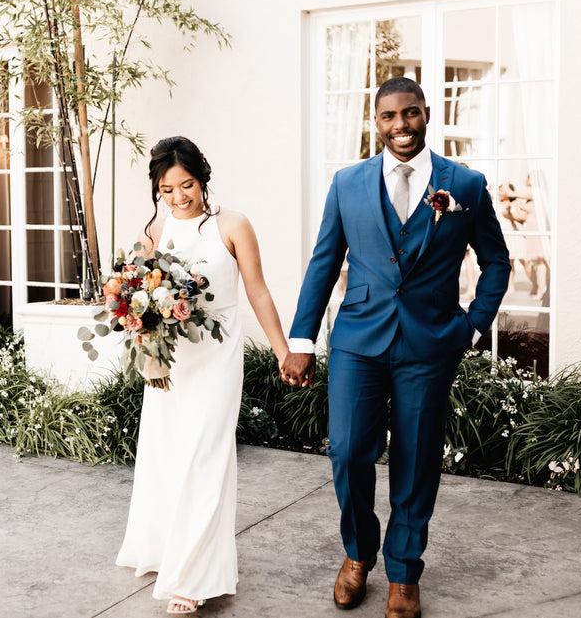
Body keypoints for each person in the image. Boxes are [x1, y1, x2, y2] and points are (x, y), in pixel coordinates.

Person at [281, 78, 510, 618]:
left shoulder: (467, 185)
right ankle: (359, 554)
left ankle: (404, 574)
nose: (400, 126)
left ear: (427, 114)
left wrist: (473, 326)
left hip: (430, 344)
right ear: (375, 121)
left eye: (410, 114)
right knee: (347, 451)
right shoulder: (347, 183)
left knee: (415, 459)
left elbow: (497, 261)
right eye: (388, 117)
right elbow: (323, 263)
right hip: (359, 338)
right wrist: (301, 340)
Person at [116, 136, 290, 615]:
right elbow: (138, 296)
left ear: (203, 179)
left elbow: (256, 291)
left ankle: (194, 574)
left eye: (186, 185)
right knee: (165, 452)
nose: (177, 198)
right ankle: (162, 551)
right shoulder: (155, 227)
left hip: (216, 357)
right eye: (166, 189)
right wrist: (147, 348)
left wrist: (282, 351)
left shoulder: (231, 225)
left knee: (205, 457)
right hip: (171, 361)